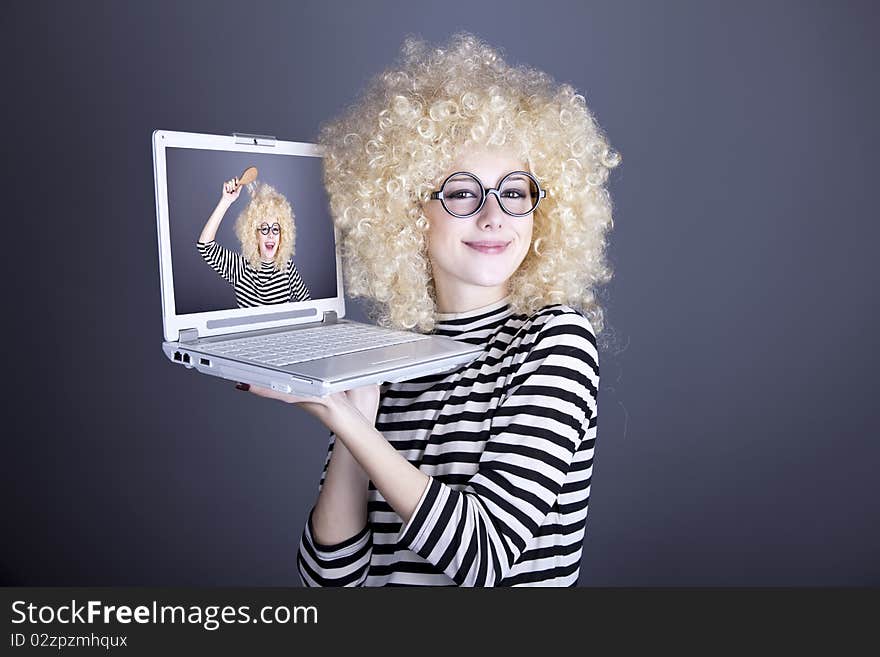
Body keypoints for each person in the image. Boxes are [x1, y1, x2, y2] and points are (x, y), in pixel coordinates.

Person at [239, 32, 620, 586]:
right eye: (461, 193)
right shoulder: (387, 354)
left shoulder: (556, 341)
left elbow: (484, 556)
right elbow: (328, 579)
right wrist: (355, 422)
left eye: (514, 192)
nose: (493, 215)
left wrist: (348, 423)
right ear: (407, 211)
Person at [197, 178, 311, 307]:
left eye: (275, 229)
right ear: (254, 234)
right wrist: (226, 201)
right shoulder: (240, 267)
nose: (270, 235)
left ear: (282, 236)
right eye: (264, 228)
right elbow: (205, 246)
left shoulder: (287, 266)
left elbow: (308, 305)